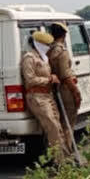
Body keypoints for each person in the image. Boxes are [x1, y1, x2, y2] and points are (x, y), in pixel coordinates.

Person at [20, 31, 74, 163]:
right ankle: (61, 162)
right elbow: (30, 79)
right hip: (37, 96)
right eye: (45, 44)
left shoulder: (43, 57)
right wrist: (49, 80)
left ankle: (64, 159)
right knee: (53, 127)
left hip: (48, 95)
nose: (48, 47)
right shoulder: (29, 58)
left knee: (57, 127)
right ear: (38, 44)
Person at [47, 22, 82, 131]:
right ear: (64, 35)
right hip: (66, 89)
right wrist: (76, 92)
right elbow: (66, 76)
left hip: (55, 89)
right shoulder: (61, 51)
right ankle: (67, 147)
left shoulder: (49, 50)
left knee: (62, 121)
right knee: (68, 122)